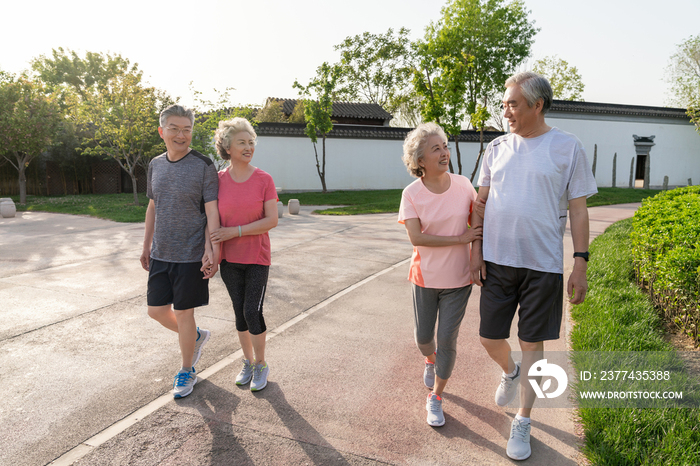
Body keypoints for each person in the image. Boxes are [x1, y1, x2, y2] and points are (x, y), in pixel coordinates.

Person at [470, 72, 597, 460]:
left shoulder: (567, 147)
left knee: (533, 344)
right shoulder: (496, 147)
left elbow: (578, 209)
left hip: (542, 265)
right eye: (504, 103)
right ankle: (510, 371)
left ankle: (523, 418)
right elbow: (480, 201)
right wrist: (475, 249)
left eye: (512, 104)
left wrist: (580, 263)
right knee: (489, 337)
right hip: (496, 260)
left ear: (536, 105)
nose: (505, 111)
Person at [398, 122, 483, 427]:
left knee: (447, 339)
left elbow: (479, 221)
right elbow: (417, 238)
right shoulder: (411, 194)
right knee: (424, 338)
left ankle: (436, 396)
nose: (445, 152)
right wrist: (461, 239)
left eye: (445, 146)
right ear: (420, 160)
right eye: (436, 148)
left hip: (459, 279)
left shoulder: (463, 185)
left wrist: (476, 254)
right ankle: (429, 360)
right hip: (424, 277)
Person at [140, 104, 220, 399]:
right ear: (162, 132)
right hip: (161, 252)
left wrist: (213, 250)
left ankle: (187, 370)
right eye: (174, 128)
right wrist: (146, 245)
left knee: (184, 313)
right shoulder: (155, 164)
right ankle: (196, 338)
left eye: (186, 129)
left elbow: (213, 212)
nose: (181, 134)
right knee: (156, 311)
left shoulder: (203, 165)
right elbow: (152, 206)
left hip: (191, 255)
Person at [210, 117, 278, 392]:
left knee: (253, 311)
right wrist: (212, 254)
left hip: (257, 258)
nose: (248, 147)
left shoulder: (264, 179)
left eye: (251, 142)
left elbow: (271, 220)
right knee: (239, 313)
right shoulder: (216, 181)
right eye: (242, 142)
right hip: (229, 260)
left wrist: (235, 232)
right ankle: (247, 362)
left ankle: (261, 364)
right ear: (227, 147)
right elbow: (212, 221)